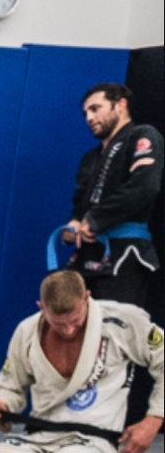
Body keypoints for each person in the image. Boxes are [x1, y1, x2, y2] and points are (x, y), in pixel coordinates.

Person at [0, 269, 163, 453]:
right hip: (40, 436)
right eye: (59, 324)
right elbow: (11, 386)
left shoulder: (121, 322)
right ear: (41, 307)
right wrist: (1, 405)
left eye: (75, 321)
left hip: (93, 440)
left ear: (87, 297)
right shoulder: (27, 331)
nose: (68, 330)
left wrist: (154, 419)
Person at [61, 82, 161, 307]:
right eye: (86, 113)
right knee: (72, 321)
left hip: (123, 252)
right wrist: (74, 225)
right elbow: (80, 205)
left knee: (111, 323)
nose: (89, 117)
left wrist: (95, 220)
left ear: (121, 105)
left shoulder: (141, 136)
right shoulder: (90, 158)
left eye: (95, 108)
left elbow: (144, 186)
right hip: (87, 254)